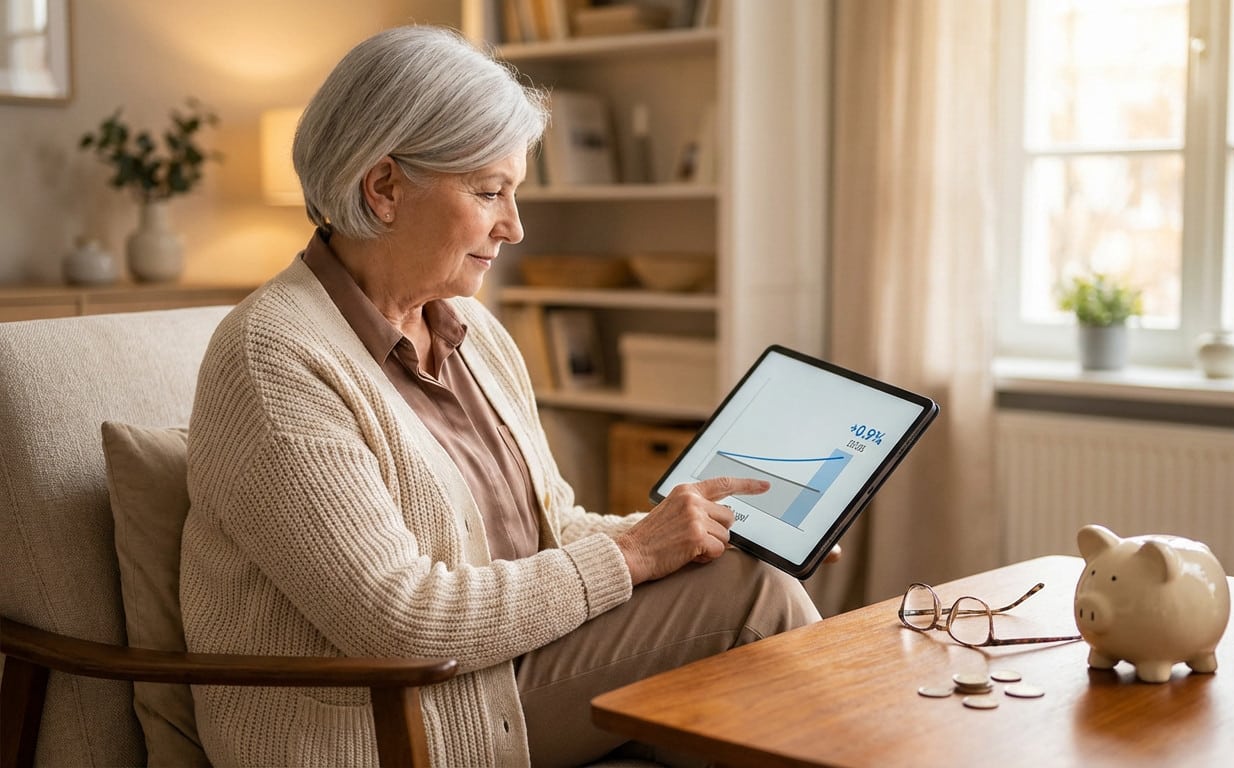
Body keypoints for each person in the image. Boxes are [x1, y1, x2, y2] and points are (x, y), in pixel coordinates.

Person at [180, 25, 821, 767]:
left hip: (508, 667)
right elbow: (398, 618)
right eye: (490, 192)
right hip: (394, 720)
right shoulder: (272, 357)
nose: (514, 228)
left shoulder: (471, 332)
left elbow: (551, 527)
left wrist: (693, 532)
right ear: (384, 188)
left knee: (745, 569)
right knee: (751, 598)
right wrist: (637, 554)